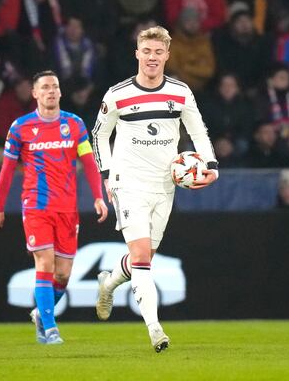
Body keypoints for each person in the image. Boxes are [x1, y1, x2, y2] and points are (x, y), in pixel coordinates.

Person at [92, 26, 218, 352]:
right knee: (142, 258)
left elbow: (198, 130)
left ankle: (108, 282)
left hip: (166, 184)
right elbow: (99, 136)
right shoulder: (117, 94)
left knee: (143, 257)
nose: (152, 57)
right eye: (146, 51)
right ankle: (155, 330)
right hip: (127, 183)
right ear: (137, 53)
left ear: (167, 55)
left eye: (158, 52)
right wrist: (107, 174)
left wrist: (211, 165)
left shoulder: (180, 92)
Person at [0, 70, 108, 345]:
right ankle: (51, 329)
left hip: (67, 207)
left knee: (63, 275)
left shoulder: (75, 124)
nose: (51, 91)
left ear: (60, 92)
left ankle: (42, 313)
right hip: (36, 206)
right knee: (45, 263)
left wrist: (98, 197)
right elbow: (6, 170)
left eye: (55, 87)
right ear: (35, 93)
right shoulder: (20, 127)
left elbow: (89, 163)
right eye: (45, 87)